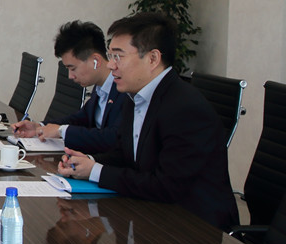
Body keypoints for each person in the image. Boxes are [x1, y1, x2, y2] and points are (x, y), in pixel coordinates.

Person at [58, 12, 239, 230]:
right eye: (111, 56)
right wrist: (86, 161)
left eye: (118, 57)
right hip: (151, 216)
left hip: (192, 228)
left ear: (153, 59)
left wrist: (96, 171)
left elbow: (166, 186)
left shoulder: (185, 107)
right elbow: (126, 154)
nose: (111, 65)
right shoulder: (137, 96)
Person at [12, 20, 124, 154]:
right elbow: (80, 119)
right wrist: (39, 127)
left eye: (73, 68)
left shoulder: (124, 91)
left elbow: (114, 137)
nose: (70, 76)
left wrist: (62, 131)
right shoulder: (100, 88)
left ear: (96, 61)